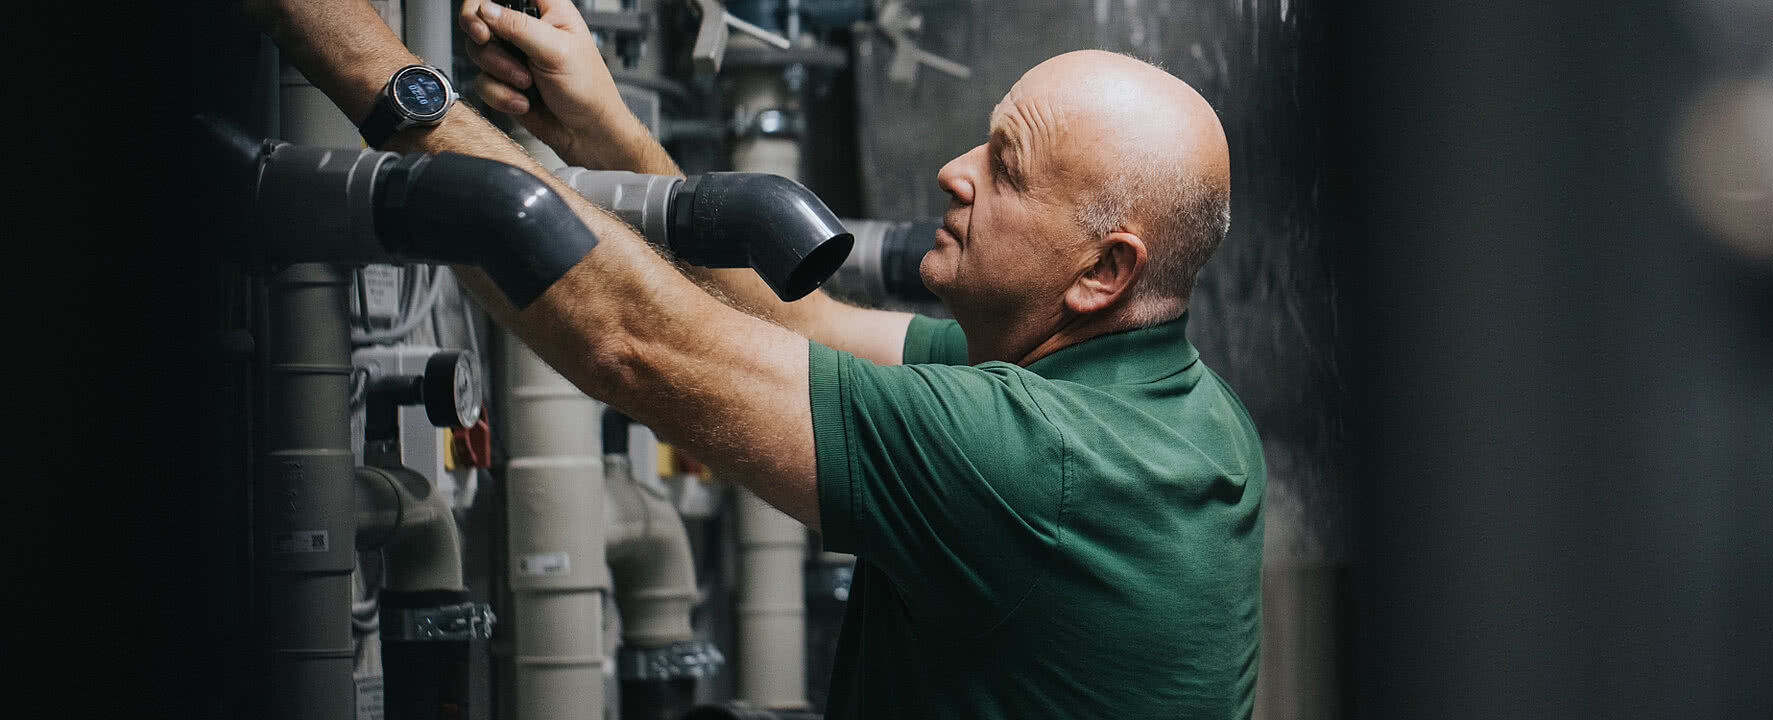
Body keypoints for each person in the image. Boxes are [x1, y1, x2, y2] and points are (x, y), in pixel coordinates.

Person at [248, 0, 1263, 716]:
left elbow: (632, 343)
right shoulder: (1169, 406)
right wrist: (608, 133)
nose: (955, 173)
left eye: (1006, 168)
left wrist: (355, 49)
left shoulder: (1038, 465)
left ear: (1102, 270)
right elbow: (805, 334)